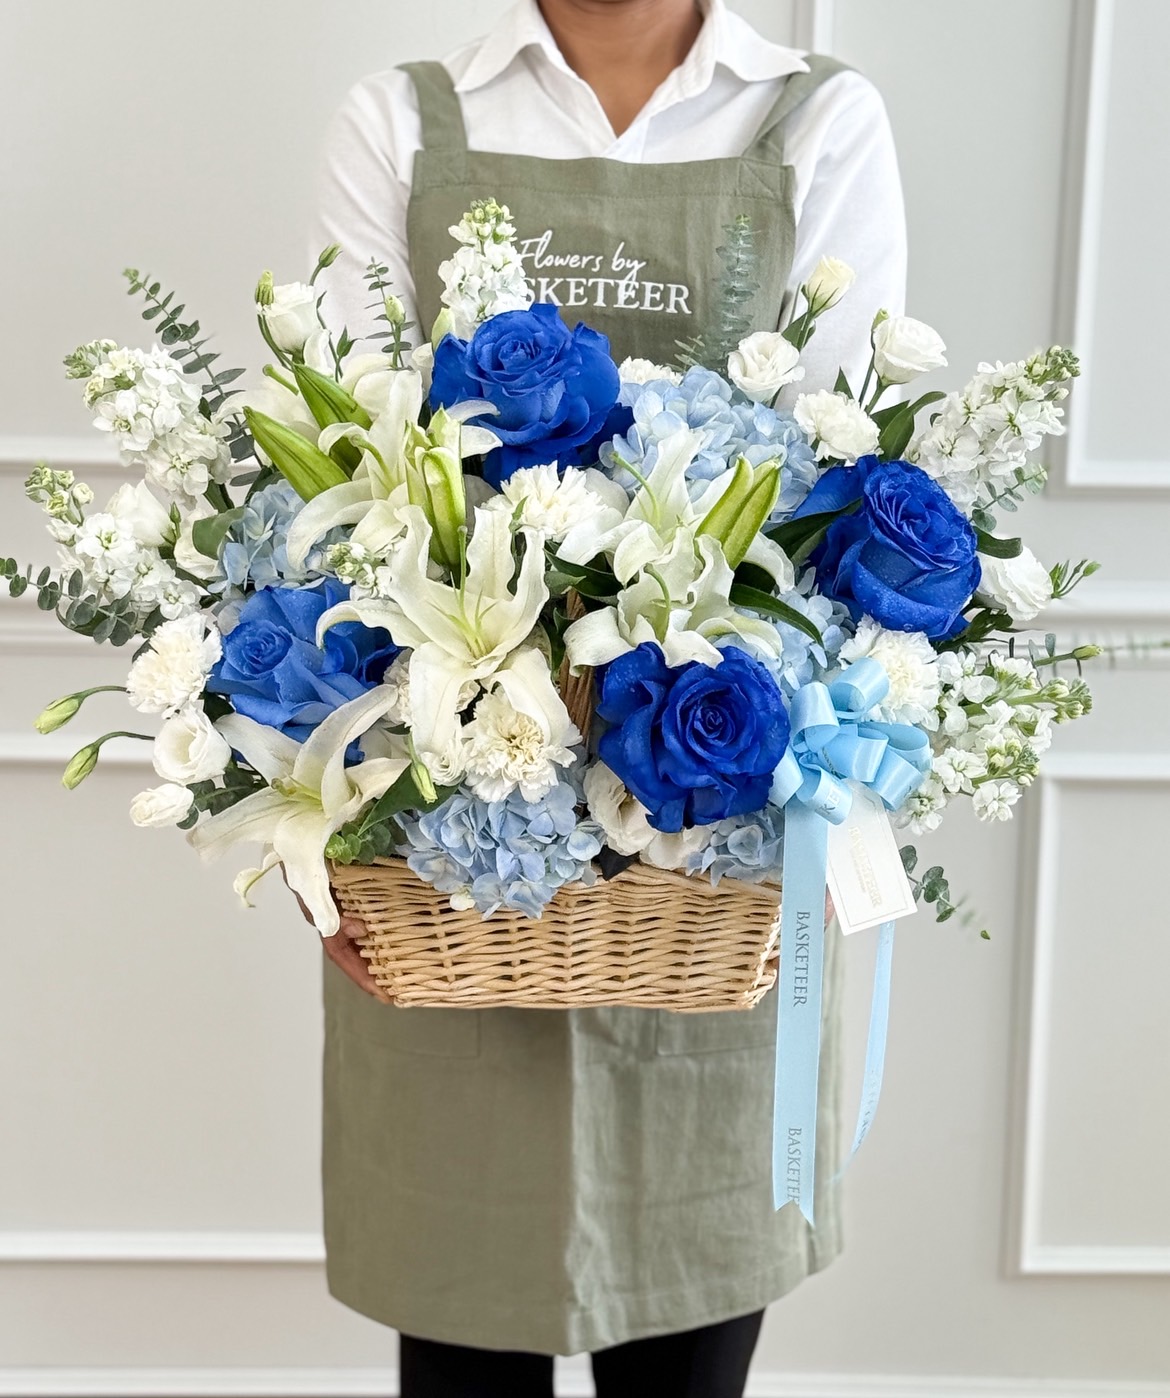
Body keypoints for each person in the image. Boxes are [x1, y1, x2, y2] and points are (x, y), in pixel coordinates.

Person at [308, 1, 906, 1392]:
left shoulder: (815, 120)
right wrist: (318, 836)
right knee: (458, 1343)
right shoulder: (401, 118)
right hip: (451, 854)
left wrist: (835, 787)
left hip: (718, 829)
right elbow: (339, 486)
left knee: (690, 1351)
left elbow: (842, 461)